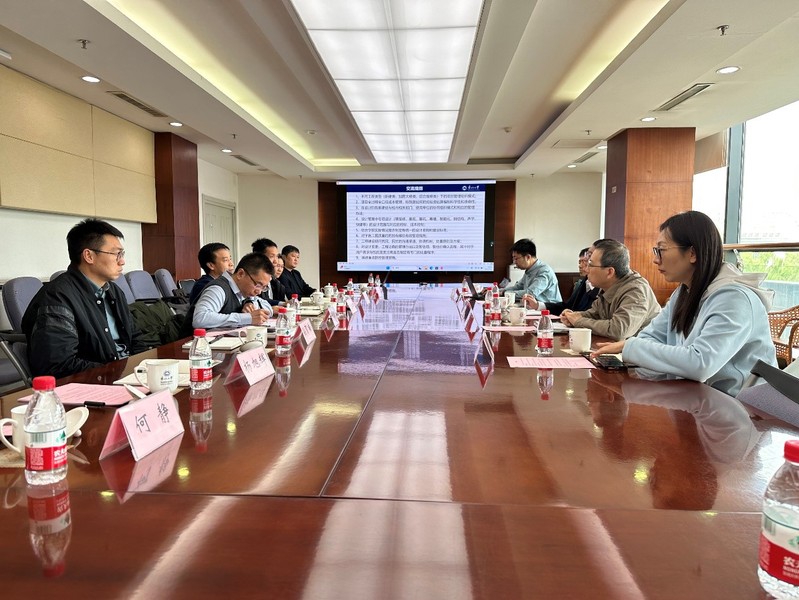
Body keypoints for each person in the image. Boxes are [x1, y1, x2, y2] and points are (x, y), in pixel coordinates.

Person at [595, 210, 776, 396]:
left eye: (661, 250)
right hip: (700, 397)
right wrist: (645, 349)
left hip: (746, 406)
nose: (656, 260)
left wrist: (631, 347)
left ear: (692, 253)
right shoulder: (684, 292)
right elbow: (649, 337)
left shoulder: (734, 298)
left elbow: (700, 364)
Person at [22, 218, 148, 378]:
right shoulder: (58, 296)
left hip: (127, 376)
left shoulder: (114, 291)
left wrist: (146, 368)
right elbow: (58, 365)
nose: (122, 261)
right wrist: (114, 373)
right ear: (89, 256)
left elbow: (135, 338)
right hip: (96, 382)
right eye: (116, 254)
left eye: (122, 254)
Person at [560, 239, 660, 341]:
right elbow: (595, 314)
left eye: (591, 265)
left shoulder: (636, 291)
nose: (586, 269)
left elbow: (618, 330)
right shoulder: (609, 286)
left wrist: (578, 321)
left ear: (609, 272)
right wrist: (573, 316)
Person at [182, 252, 274, 335]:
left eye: (264, 287)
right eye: (258, 285)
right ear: (240, 274)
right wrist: (247, 318)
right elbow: (200, 319)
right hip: (193, 345)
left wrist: (252, 306)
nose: (259, 291)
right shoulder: (218, 289)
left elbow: (266, 307)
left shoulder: (243, 291)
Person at [523, 246, 599, 315]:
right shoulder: (584, 282)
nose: (581, 265)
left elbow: (591, 316)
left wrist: (574, 318)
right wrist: (537, 305)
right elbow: (567, 306)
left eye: (586, 260)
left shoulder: (600, 288)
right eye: (580, 262)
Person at [501, 239, 561, 303]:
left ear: (528, 257)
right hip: (536, 306)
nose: (514, 262)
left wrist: (505, 293)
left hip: (550, 307)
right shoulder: (529, 270)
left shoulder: (544, 271)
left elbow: (530, 293)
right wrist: (501, 291)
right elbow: (518, 287)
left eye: (516, 258)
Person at [251, 237, 287, 306]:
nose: (276, 261)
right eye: (272, 256)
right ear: (259, 257)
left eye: (277, 256)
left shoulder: (276, 283)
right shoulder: (252, 279)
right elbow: (260, 300)